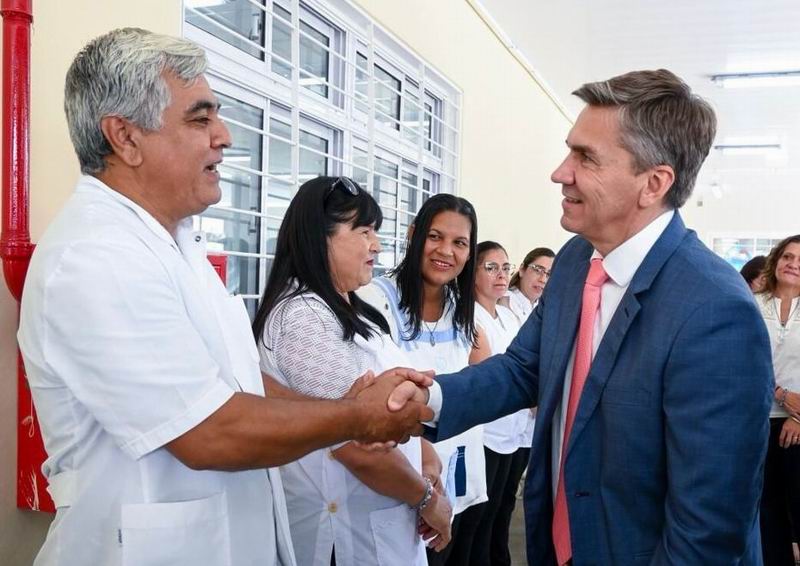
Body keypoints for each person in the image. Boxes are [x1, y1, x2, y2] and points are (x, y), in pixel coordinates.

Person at [17, 28, 432, 566]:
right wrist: (356, 418)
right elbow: (208, 433)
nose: (225, 136)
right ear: (125, 137)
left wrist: (346, 408)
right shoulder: (96, 256)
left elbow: (238, 382)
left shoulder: (176, 243)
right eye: (200, 119)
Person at [393, 69, 774, 565]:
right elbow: (525, 368)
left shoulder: (716, 310)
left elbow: (708, 527)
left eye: (585, 157)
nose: (560, 173)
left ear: (654, 183)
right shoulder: (575, 260)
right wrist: (428, 399)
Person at [253, 176, 451, 565]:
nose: (376, 244)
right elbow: (356, 446)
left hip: (384, 521)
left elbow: (393, 410)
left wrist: (426, 460)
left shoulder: (353, 309)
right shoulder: (303, 317)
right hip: (344, 540)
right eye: (363, 231)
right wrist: (428, 500)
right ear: (320, 238)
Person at [359, 194, 488, 566]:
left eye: (459, 243)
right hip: (405, 483)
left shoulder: (461, 309)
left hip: (459, 477)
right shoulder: (375, 301)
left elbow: (481, 378)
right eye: (435, 237)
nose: (445, 251)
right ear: (413, 235)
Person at [467, 241, 533, 566]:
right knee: (479, 519)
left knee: (502, 510)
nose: (501, 275)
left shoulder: (508, 316)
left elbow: (528, 365)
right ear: (473, 273)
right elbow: (489, 382)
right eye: (491, 267)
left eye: (505, 268)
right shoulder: (470, 318)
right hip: (487, 436)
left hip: (514, 432)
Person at [755, 235, 800, 566]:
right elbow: (741, 359)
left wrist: (797, 418)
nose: (793, 264)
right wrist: (781, 395)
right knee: (767, 508)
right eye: (787, 257)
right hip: (756, 418)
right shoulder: (752, 303)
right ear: (776, 261)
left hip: (796, 424)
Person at [506, 247, 555, 324]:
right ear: (522, 269)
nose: (543, 280)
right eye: (538, 270)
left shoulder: (544, 308)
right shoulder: (505, 302)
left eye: (549, 274)